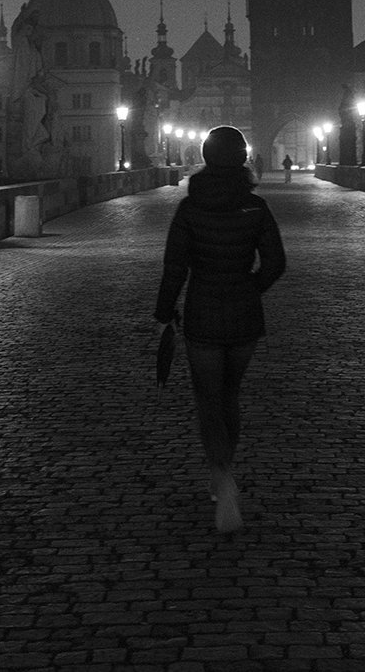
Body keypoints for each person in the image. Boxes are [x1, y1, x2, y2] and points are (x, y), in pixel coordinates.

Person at [153, 126, 286, 533]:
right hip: (244, 315)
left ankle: (221, 474)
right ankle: (225, 467)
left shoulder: (189, 208)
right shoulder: (255, 207)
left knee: (208, 398)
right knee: (230, 394)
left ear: (206, 157)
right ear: (243, 157)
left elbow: (175, 267)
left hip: (203, 313)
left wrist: (164, 311)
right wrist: (250, 288)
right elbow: (276, 263)